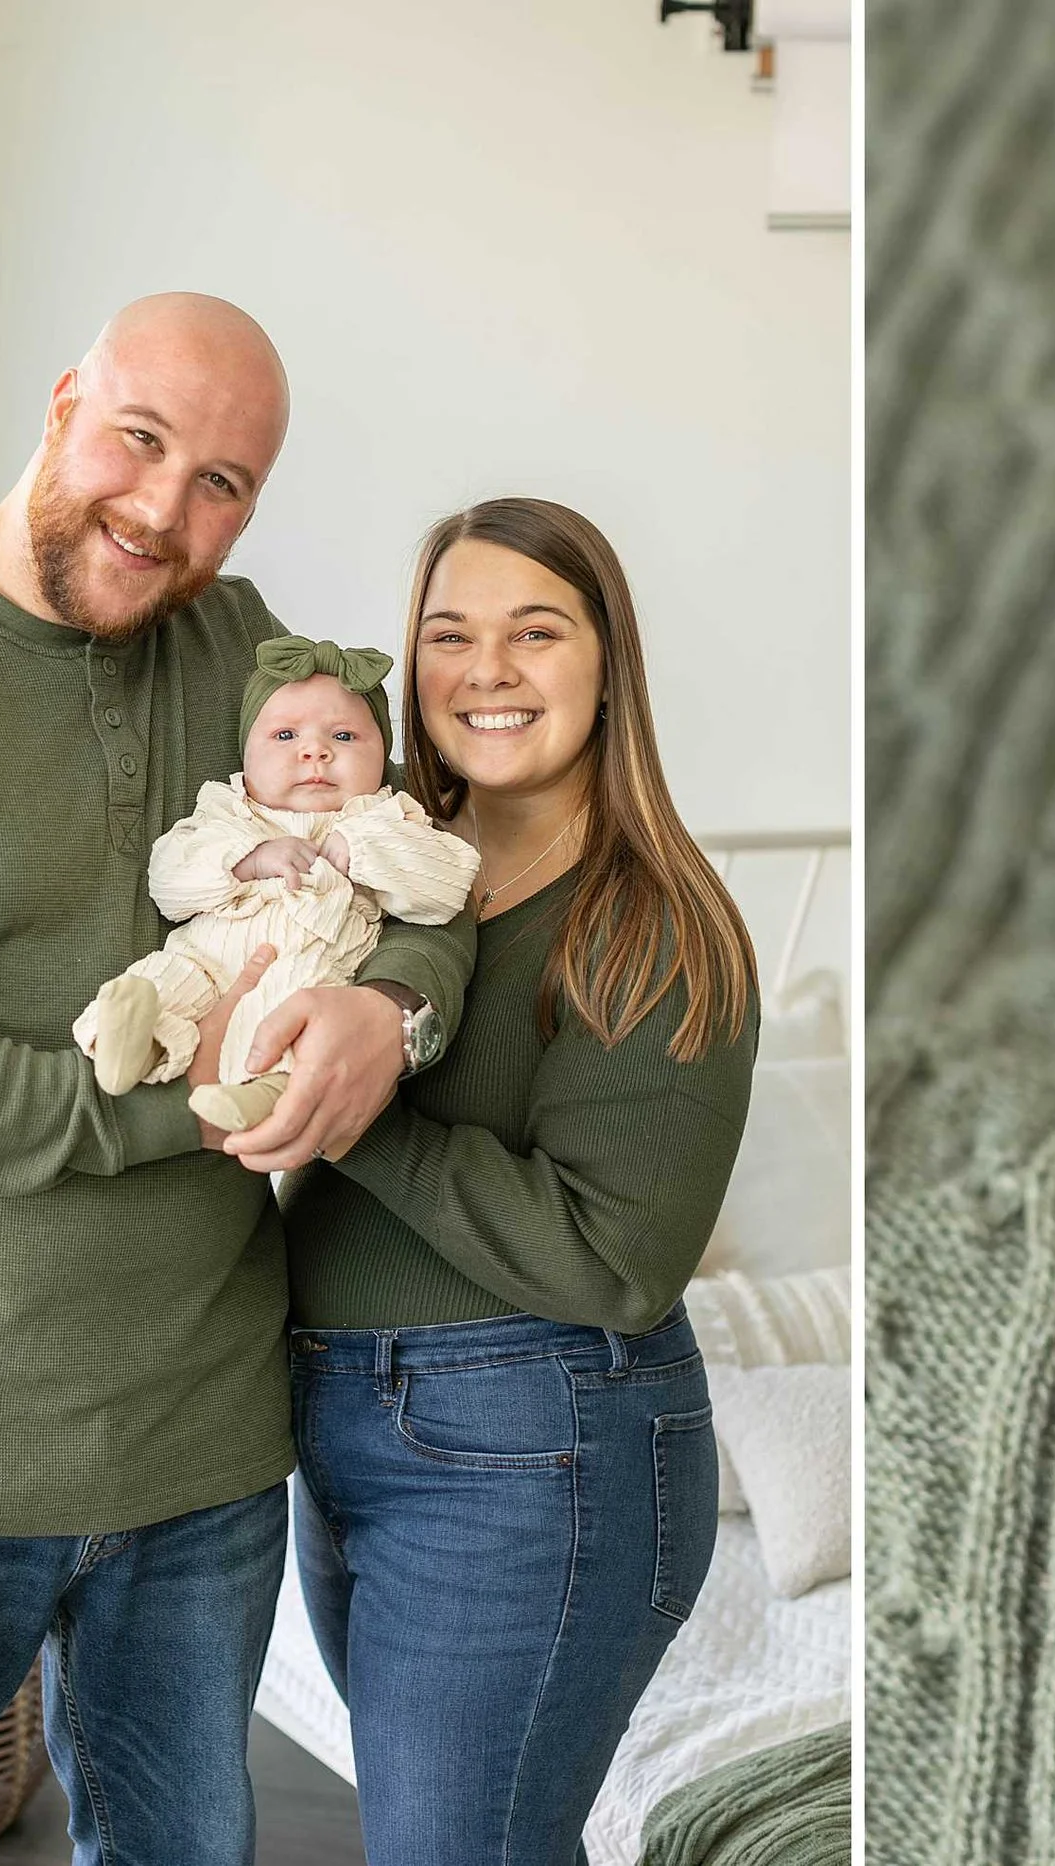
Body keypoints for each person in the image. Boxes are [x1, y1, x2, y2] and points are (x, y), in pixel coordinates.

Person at [0, 293, 473, 1864]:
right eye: (140, 438)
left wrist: (393, 1007)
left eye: (222, 481)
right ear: (64, 403)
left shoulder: (246, 656)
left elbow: (413, 867)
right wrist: (173, 1108)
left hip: (197, 1449)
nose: (164, 507)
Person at [264, 498, 757, 1863]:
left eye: (536, 633)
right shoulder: (380, 865)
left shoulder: (653, 922)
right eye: (449, 634)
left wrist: (353, 1107)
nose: (486, 670)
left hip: (535, 1445)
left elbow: (617, 1260)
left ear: (608, 664)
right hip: (344, 1419)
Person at [78, 637, 478, 1132]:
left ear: (383, 758)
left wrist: (364, 850)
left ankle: (261, 1093)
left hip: (312, 964)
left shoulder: (386, 817)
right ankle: (128, 1041)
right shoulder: (228, 810)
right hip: (204, 959)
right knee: (160, 980)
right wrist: (246, 859)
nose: (315, 751)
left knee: (295, 1003)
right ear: (245, 755)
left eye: (345, 736)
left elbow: (448, 886)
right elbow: (167, 880)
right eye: (285, 736)